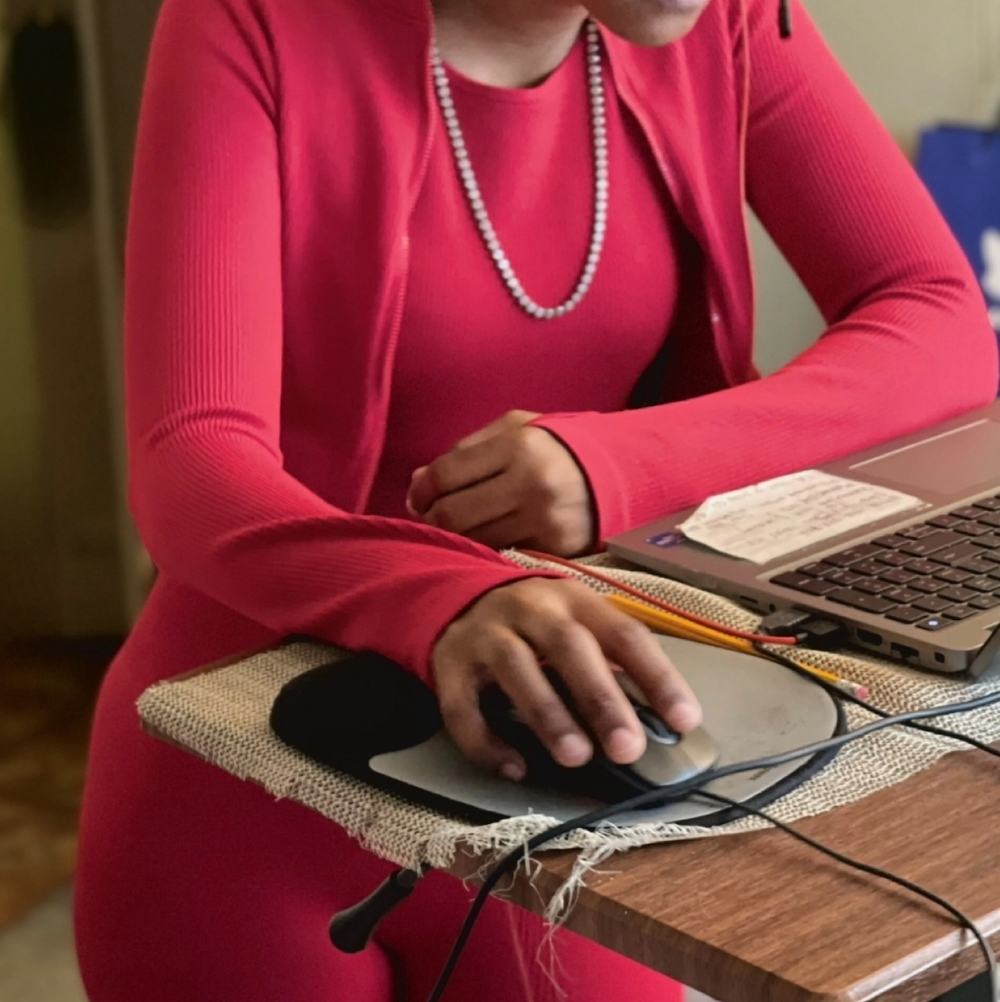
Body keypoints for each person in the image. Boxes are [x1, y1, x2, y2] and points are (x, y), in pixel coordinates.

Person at [75, 0, 998, 998]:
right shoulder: (249, 20)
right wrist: (446, 596)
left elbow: (939, 320)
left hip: (570, 778)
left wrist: (618, 466)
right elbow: (190, 457)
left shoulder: (722, 16)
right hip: (249, 761)